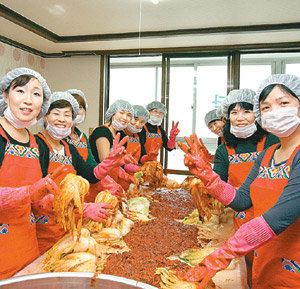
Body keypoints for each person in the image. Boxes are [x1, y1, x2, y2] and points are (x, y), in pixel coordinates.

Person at [181, 74, 300, 289]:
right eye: (266, 107)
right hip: (263, 256)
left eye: (283, 103)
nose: (274, 112)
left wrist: (222, 255)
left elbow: (281, 216)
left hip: (294, 266)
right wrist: (207, 176)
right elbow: (242, 200)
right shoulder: (268, 154)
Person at [33, 92, 130, 254]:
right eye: (56, 114)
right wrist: (83, 208)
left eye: (67, 115)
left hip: (69, 225)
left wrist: (108, 162)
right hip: (44, 229)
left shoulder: (68, 148)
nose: (62, 119)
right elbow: (37, 194)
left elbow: (90, 174)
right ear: (44, 117)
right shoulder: (37, 144)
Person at [0, 67, 64, 279]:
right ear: (5, 95)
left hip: (28, 249)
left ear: (42, 104)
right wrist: (27, 193)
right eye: (20, 90)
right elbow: (29, 193)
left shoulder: (39, 145)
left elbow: (39, 201)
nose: (28, 100)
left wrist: (76, 205)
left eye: (36, 94)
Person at [89, 99, 136, 189]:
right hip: (98, 183)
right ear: (112, 113)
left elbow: (117, 164)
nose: (125, 118)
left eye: (129, 115)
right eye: (121, 113)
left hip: (113, 180)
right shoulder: (102, 132)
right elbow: (105, 161)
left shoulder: (121, 135)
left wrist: (126, 174)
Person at [65, 89, 97, 166]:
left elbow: (91, 163)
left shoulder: (82, 137)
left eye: (79, 107)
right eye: (72, 107)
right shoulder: (59, 137)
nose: (76, 111)